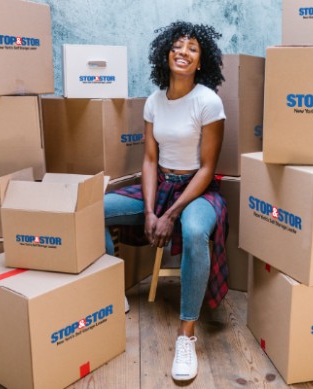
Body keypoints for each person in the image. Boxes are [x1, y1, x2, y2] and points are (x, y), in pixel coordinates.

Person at [103, 21, 229, 381]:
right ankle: (111, 292)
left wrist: (170, 213)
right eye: (177, 46)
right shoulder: (154, 101)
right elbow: (149, 160)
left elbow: (207, 168)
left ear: (201, 61)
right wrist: (148, 211)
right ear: (166, 53)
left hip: (198, 191)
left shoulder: (208, 101)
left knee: (192, 231)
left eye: (192, 48)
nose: (183, 52)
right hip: (161, 186)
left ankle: (186, 336)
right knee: (91, 210)